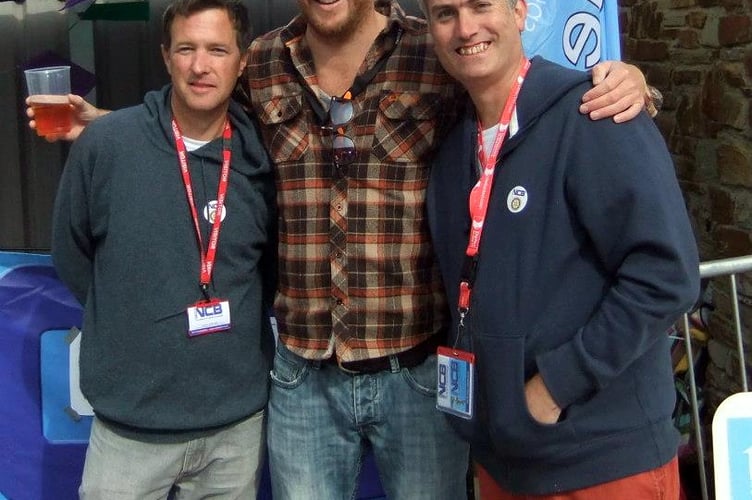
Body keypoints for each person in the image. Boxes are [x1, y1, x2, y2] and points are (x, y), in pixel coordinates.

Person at [29, 2, 656, 498]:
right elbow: (197, 110)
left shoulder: (433, 47)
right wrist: (113, 127)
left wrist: (622, 82)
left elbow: (516, 90)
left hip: (415, 372)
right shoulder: (264, 61)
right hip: (303, 378)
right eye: (187, 48)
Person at [421, 0, 700, 498]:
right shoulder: (450, 149)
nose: (466, 28)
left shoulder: (595, 112)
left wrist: (556, 386)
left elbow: (666, 274)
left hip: (602, 463)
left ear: (520, 11)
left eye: (481, 5)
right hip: (505, 459)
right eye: (445, 13)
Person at [49, 0, 276, 498]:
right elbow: (71, 253)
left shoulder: (263, 155)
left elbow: (271, 270)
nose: (200, 65)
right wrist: (131, 316)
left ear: (242, 60)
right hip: (132, 428)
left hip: (234, 429)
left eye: (217, 50)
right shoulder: (107, 145)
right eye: (186, 49)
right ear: (165, 56)